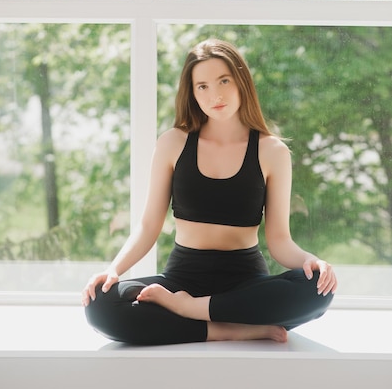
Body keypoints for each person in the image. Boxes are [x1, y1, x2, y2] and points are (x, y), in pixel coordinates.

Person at [82, 38, 337, 345]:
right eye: (202, 86)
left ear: (241, 82)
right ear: (191, 93)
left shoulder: (272, 151)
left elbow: (280, 241)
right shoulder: (173, 143)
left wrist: (313, 261)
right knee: (100, 303)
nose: (214, 94)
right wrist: (113, 269)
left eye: (223, 81)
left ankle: (192, 311)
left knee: (318, 288)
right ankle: (230, 328)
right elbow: (149, 225)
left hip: (245, 283)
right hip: (180, 279)